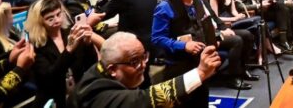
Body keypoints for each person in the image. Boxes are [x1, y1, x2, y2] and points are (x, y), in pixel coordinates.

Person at [151, 0, 251, 102]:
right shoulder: (165, 6)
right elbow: (157, 38)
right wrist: (183, 46)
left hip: (200, 63)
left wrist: (214, 39)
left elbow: (204, 26)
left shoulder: (198, 0)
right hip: (178, 66)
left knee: (202, 99)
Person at [73, 31, 222, 108]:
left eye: (144, 56)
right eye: (134, 61)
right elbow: (146, 99)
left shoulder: (106, 67)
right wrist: (200, 72)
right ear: (112, 69)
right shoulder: (99, 95)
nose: (143, 65)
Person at [27, 0, 102, 107]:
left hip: (79, 94)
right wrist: (69, 49)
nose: (57, 20)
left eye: (58, 14)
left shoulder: (69, 32)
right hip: (53, 99)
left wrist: (87, 43)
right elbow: (50, 77)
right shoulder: (36, 44)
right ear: (39, 21)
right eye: (50, 18)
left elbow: (91, 63)